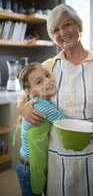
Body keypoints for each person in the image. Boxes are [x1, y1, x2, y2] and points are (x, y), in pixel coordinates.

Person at [18, 4, 93, 196]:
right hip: (58, 155)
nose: (62, 32)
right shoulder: (48, 66)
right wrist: (23, 108)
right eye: (55, 30)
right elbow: (25, 93)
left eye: (67, 24)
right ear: (52, 36)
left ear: (79, 26)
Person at [16, 63, 68, 196]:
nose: (48, 81)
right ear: (30, 91)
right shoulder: (43, 106)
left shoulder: (33, 101)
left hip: (25, 163)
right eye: (39, 81)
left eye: (47, 75)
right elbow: (65, 123)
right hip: (30, 167)